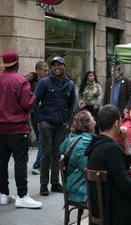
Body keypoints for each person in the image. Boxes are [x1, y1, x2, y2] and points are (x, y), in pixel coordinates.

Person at [0, 50, 42, 209]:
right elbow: (29, 103)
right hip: (17, 129)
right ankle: (22, 195)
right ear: (17, 63)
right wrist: (33, 92)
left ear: (4, 64)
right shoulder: (20, 81)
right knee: (20, 162)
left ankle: (4, 194)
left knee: (2, 161)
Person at [35, 56, 76, 196]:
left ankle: (55, 183)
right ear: (51, 67)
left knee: (57, 154)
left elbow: (72, 105)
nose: (57, 67)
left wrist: (68, 122)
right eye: (54, 65)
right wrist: (40, 120)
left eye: (60, 65)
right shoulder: (44, 82)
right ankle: (43, 184)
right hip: (46, 122)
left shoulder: (70, 84)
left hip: (61, 124)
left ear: (64, 66)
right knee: (46, 152)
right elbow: (35, 102)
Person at [59, 110, 95, 203]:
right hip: (79, 189)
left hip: (74, 184)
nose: (94, 122)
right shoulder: (84, 143)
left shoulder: (72, 137)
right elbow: (89, 168)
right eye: (92, 120)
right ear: (87, 124)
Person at [25, 61, 49, 175]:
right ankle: (42, 163)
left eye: (47, 70)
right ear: (38, 70)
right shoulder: (32, 81)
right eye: (45, 70)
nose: (47, 72)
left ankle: (38, 164)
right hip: (34, 114)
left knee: (42, 140)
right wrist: (27, 77)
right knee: (41, 138)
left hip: (45, 114)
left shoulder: (49, 81)